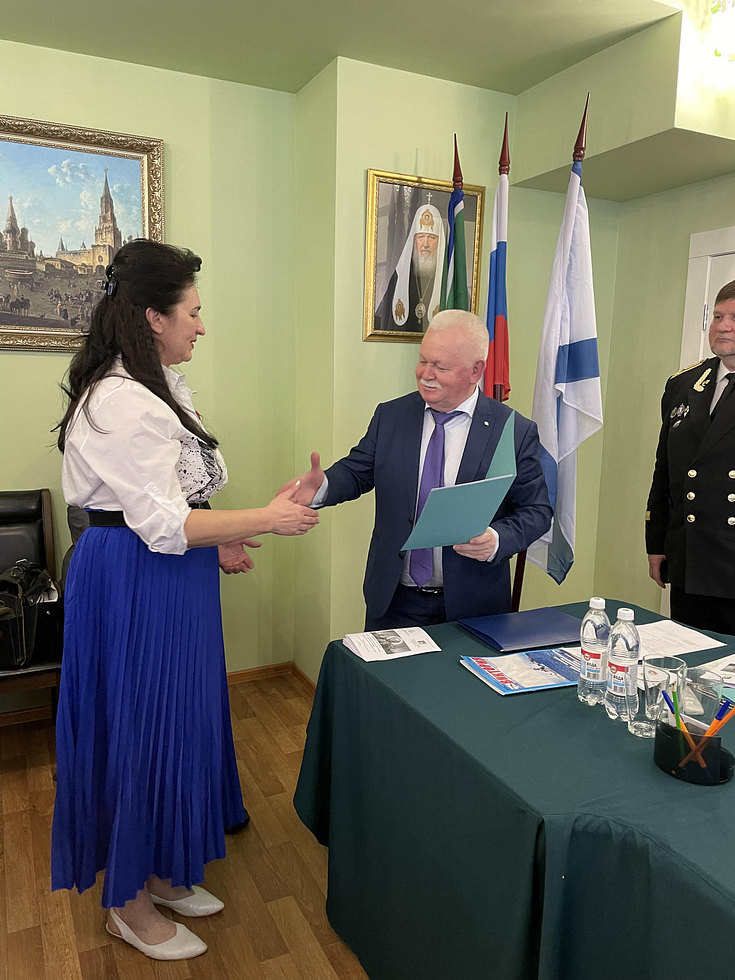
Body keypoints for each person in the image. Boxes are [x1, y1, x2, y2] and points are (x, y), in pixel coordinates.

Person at [51, 239, 318, 961]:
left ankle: (160, 869)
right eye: (193, 312)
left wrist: (220, 540)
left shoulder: (161, 384)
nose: (201, 325)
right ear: (154, 317)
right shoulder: (122, 400)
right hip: (132, 578)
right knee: (136, 730)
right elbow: (162, 524)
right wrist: (267, 518)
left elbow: (175, 501)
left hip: (170, 573)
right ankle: (127, 904)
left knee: (176, 720)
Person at [282, 310, 552, 629]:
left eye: (441, 366)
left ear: (476, 371)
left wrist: (496, 539)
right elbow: (357, 471)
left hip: (473, 605)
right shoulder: (391, 416)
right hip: (394, 600)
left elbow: (537, 511)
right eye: (423, 361)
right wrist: (323, 486)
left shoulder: (512, 430)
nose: (426, 374)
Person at [646, 278, 735, 635]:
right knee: (688, 656)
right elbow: (665, 472)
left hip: (731, 561)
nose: (723, 326)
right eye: (718, 316)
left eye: (734, 318)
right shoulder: (684, 384)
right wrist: (656, 543)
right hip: (689, 559)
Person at [374, 202, 446, 333]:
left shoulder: (447, 279)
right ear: (414, 241)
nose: (425, 244)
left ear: (439, 242)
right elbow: (383, 318)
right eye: (421, 237)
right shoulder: (399, 276)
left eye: (431, 237)